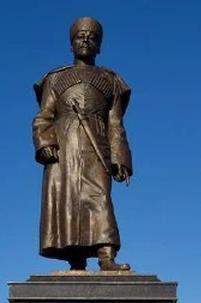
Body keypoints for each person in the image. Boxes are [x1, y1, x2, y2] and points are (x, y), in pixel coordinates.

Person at [33, 17, 133, 272]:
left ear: (99, 46)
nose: (85, 40)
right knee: (68, 203)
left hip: (96, 147)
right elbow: (44, 116)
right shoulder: (55, 79)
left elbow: (116, 123)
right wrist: (45, 141)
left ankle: (106, 256)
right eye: (80, 36)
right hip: (63, 149)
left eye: (92, 37)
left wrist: (121, 158)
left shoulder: (111, 80)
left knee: (99, 198)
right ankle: (75, 259)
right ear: (71, 44)